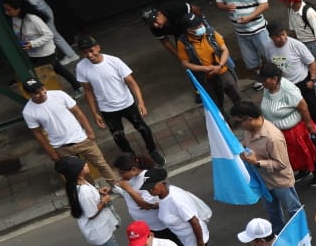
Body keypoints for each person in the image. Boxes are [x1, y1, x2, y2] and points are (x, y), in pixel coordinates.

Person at [74, 37, 161, 165]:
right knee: (118, 136)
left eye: (91, 51)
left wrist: (140, 102)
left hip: (127, 104)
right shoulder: (81, 67)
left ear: (98, 47)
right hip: (107, 109)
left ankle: (153, 150)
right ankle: (131, 158)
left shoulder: (114, 61)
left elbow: (131, 82)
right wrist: (95, 113)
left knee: (142, 128)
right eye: (85, 52)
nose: (90, 55)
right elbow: (88, 91)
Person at [144, 167, 230, 246]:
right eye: (147, 188)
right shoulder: (164, 195)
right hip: (187, 237)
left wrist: (200, 244)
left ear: (162, 184)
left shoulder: (175, 200)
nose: (150, 190)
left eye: (152, 187)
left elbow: (194, 222)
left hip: (194, 236)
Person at [21, 77, 116, 181]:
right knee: (77, 174)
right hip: (61, 147)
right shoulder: (28, 111)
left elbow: (77, 112)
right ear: (28, 94)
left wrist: (89, 131)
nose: (42, 94)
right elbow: (37, 134)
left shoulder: (59, 94)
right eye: (37, 93)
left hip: (82, 139)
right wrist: (51, 152)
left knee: (101, 164)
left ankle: (116, 185)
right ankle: (92, 192)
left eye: (42, 89)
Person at [55, 156, 127, 246]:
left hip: (100, 228)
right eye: (83, 165)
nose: (87, 165)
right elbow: (91, 213)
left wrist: (99, 193)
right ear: (77, 171)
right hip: (100, 230)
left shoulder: (80, 184)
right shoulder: (84, 192)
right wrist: (104, 201)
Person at [232, 100, 301, 230]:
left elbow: (281, 164)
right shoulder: (249, 130)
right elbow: (248, 143)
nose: (239, 126)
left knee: (293, 211)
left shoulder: (273, 138)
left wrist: (257, 162)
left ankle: (301, 234)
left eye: (239, 122)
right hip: (263, 181)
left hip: (280, 182)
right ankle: (277, 236)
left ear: (249, 119)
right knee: (273, 213)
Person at [215, 0, 271, 86]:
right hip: (241, 32)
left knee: (272, 54)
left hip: (259, 29)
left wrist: (249, 17)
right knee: (250, 60)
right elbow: (218, 3)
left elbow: (265, 4)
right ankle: (260, 79)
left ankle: (283, 71)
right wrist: (226, 7)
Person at [177, 13, 242, 109]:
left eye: (201, 24)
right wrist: (205, 68)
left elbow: (224, 50)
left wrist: (219, 66)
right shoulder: (182, 42)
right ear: (189, 30)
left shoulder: (211, 33)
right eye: (197, 26)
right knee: (215, 103)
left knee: (235, 94)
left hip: (222, 70)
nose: (201, 27)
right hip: (205, 77)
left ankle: (242, 114)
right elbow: (185, 63)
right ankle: (224, 120)